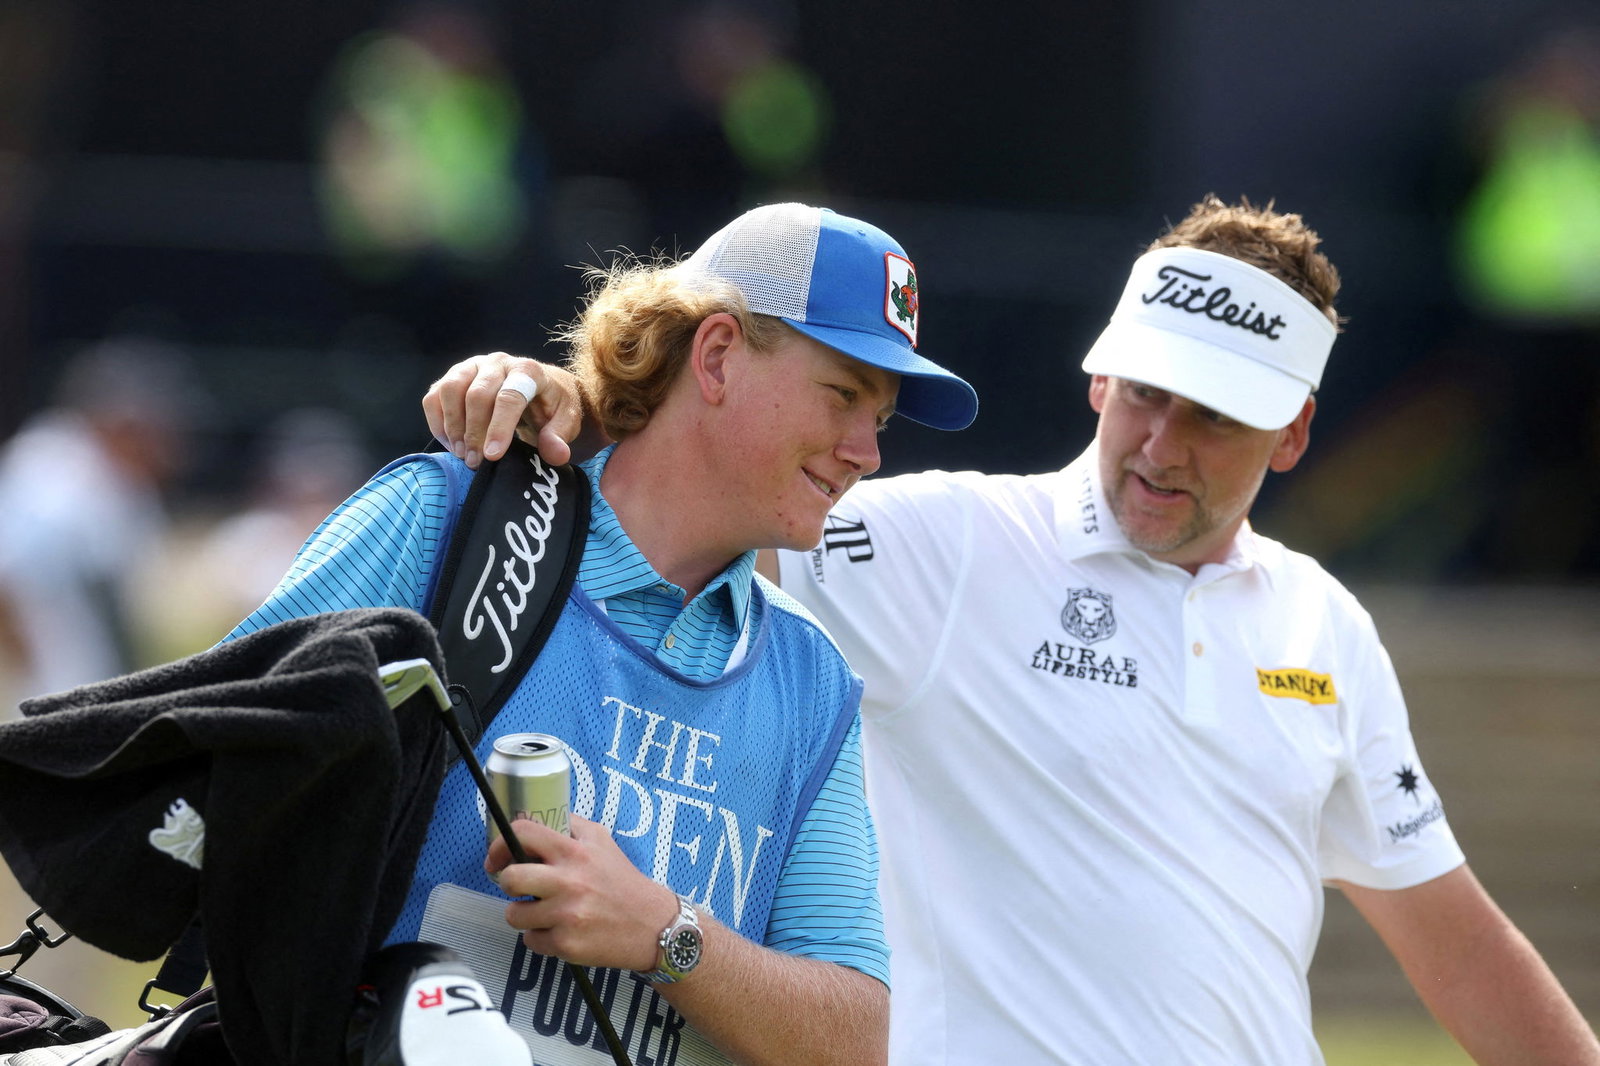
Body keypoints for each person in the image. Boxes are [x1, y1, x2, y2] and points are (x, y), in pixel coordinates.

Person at [424, 195, 1600, 1065]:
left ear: (1291, 432)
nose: (1160, 445)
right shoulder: (944, 545)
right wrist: (577, 405)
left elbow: (1454, 941)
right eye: (1144, 392)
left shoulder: (1324, 625)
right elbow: (686, 487)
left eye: (1212, 418)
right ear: (1098, 380)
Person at [229, 201, 977, 1065]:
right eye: (842, 395)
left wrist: (666, 934)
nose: (865, 452)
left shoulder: (813, 680)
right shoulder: (442, 521)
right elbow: (198, 784)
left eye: (878, 418)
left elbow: (853, 1041)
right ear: (717, 356)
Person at [0, 337, 197, 716]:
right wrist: (35, 679)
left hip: (103, 696)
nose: (170, 435)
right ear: (124, 420)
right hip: (56, 701)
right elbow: (7, 579)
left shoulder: (127, 483)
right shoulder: (50, 468)